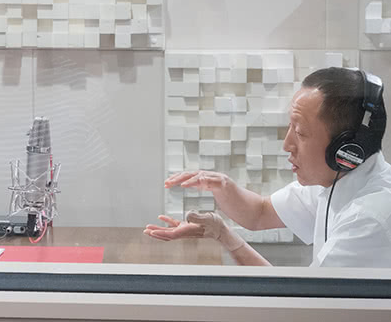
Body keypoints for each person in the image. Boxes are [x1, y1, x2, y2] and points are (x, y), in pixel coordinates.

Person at [145, 67, 391, 267]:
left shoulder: (368, 221)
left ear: (346, 148)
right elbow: (260, 212)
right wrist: (221, 188)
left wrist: (225, 237)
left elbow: (300, 306)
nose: (287, 145)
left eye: (300, 133)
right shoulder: (337, 180)